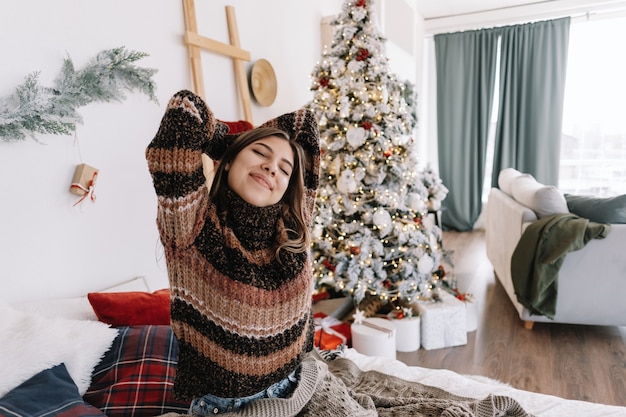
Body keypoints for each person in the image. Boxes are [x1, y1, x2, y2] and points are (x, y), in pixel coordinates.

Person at [146, 89, 320, 415]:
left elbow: (306, 126)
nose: (271, 168)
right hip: (231, 409)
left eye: (284, 169)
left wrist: (248, 152)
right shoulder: (192, 225)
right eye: (260, 153)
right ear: (227, 162)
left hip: (300, 386)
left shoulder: (294, 227)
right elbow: (185, 111)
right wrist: (231, 144)